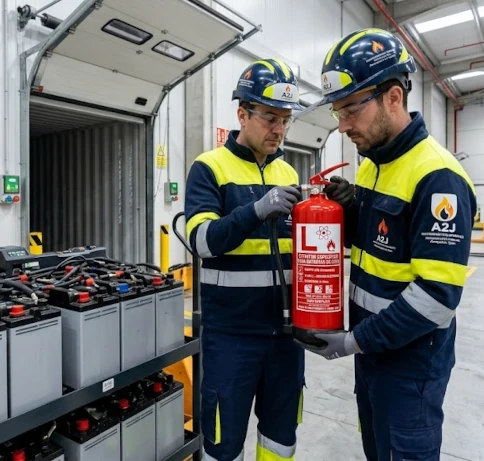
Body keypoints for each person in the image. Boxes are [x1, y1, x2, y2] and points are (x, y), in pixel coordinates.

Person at [297, 29, 477, 461]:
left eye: (350, 111)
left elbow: (436, 298)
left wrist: (353, 341)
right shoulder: (376, 166)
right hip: (375, 352)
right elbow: (382, 246)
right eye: (338, 113)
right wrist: (353, 209)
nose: (343, 126)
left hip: (410, 361)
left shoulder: (438, 178)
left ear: (393, 97)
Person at [184, 58, 306, 461]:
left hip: (287, 337)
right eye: (270, 117)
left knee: (280, 439)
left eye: (285, 120)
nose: (279, 129)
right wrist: (255, 210)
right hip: (231, 337)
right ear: (242, 113)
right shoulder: (209, 168)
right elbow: (201, 240)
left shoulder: (289, 172)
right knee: (223, 442)